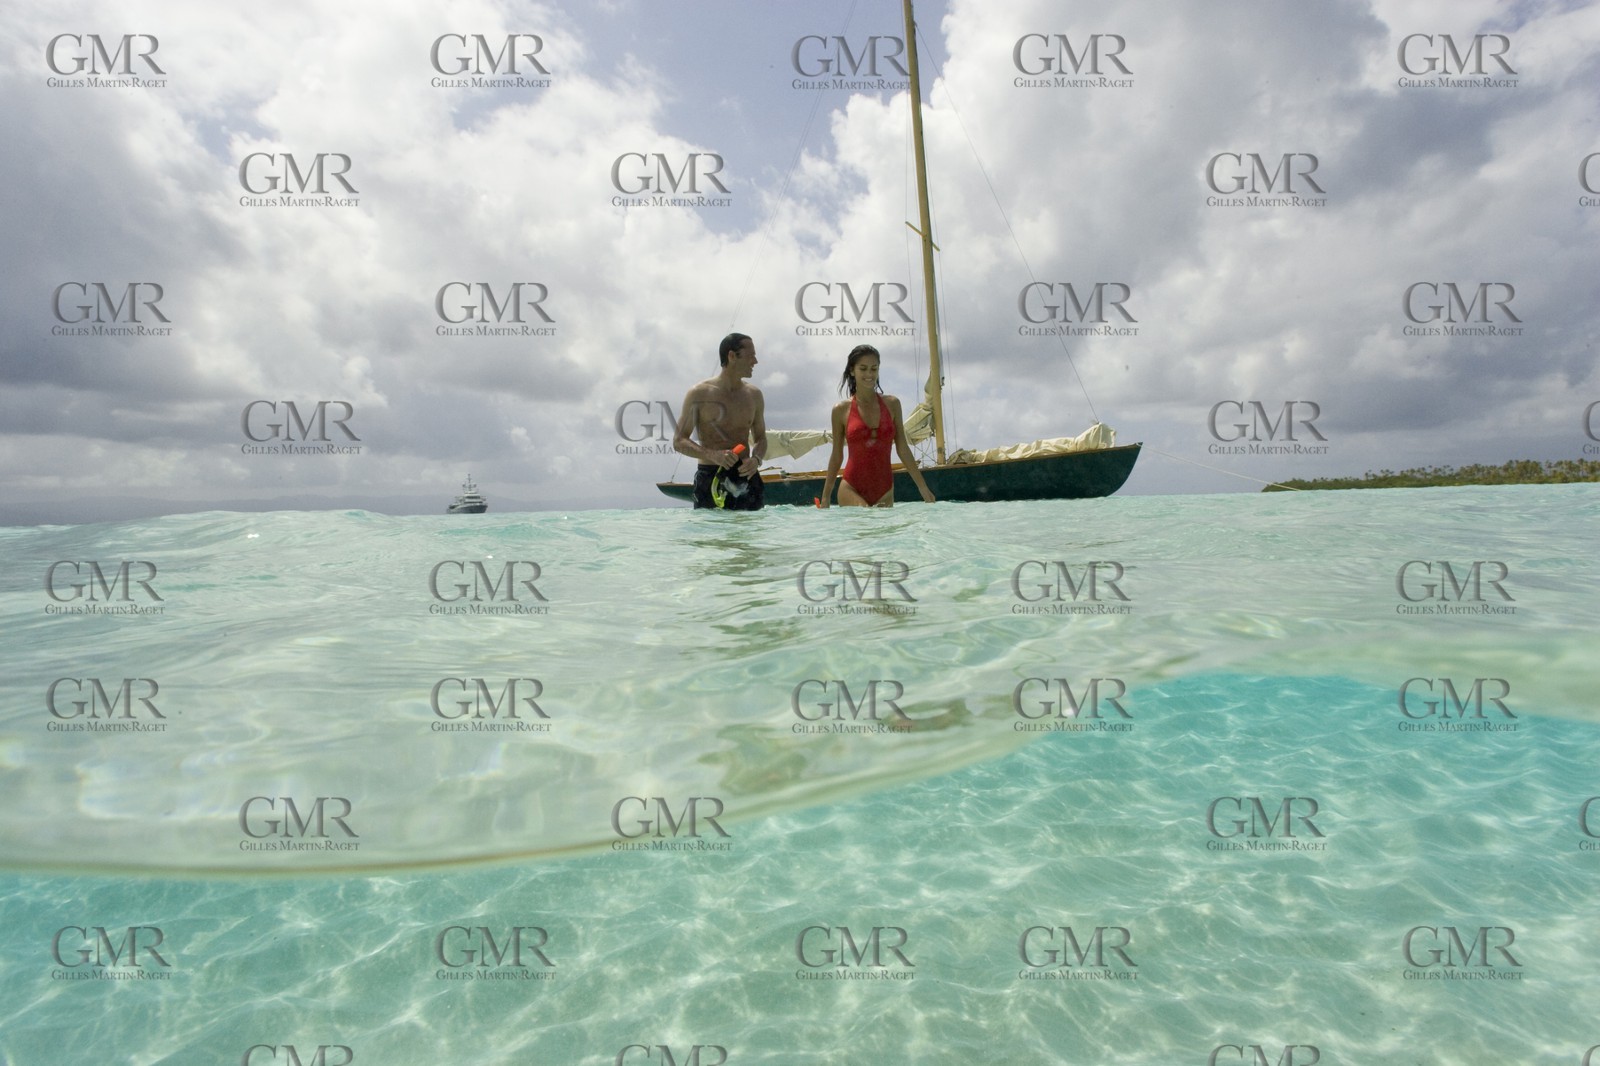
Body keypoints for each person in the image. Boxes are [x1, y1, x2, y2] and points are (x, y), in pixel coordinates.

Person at [820, 344, 935, 508]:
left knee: (882, 534)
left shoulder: (893, 404)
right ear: (852, 371)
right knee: (867, 524)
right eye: (863, 369)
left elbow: (902, 448)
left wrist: (923, 488)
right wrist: (825, 497)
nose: (869, 374)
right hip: (851, 489)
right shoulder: (841, 410)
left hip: (885, 490)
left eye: (874, 369)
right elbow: (837, 455)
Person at [673, 332, 768, 510]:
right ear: (732, 356)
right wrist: (713, 455)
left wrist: (756, 459)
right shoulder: (699, 393)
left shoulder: (754, 395)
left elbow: (761, 438)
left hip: (746, 477)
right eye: (751, 356)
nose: (755, 361)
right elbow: (678, 441)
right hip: (711, 477)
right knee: (710, 537)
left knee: (752, 536)